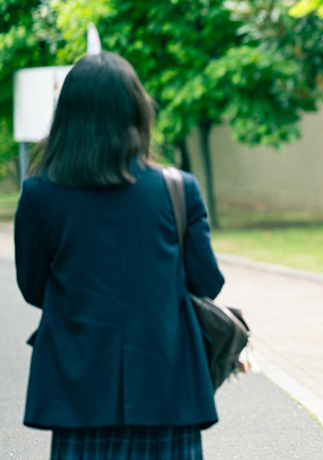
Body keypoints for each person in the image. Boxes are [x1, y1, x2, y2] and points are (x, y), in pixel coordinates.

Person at [15, 52, 223, 459]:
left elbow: (33, 287)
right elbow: (207, 283)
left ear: (68, 114)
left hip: (79, 389)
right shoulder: (177, 189)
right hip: (167, 388)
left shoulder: (40, 193)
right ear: (136, 112)